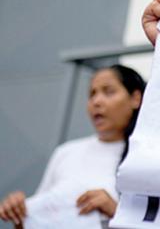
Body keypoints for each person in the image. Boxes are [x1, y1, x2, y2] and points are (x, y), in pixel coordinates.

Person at [0, 65, 146, 228]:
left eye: (108, 91)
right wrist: (20, 213)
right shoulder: (65, 153)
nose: (96, 101)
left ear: (135, 98)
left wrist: (115, 212)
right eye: (92, 94)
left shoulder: (148, 157)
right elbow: (40, 221)